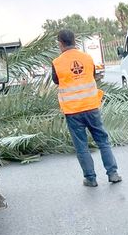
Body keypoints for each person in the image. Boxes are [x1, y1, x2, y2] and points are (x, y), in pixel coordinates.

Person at [52, 29, 122, 187]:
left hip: (73, 112)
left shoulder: (57, 63)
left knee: (81, 146)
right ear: (75, 41)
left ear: (60, 43)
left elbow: (57, 81)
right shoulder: (87, 57)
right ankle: (113, 173)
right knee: (103, 141)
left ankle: (90, 178)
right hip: (91, 107)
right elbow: (93, 74)